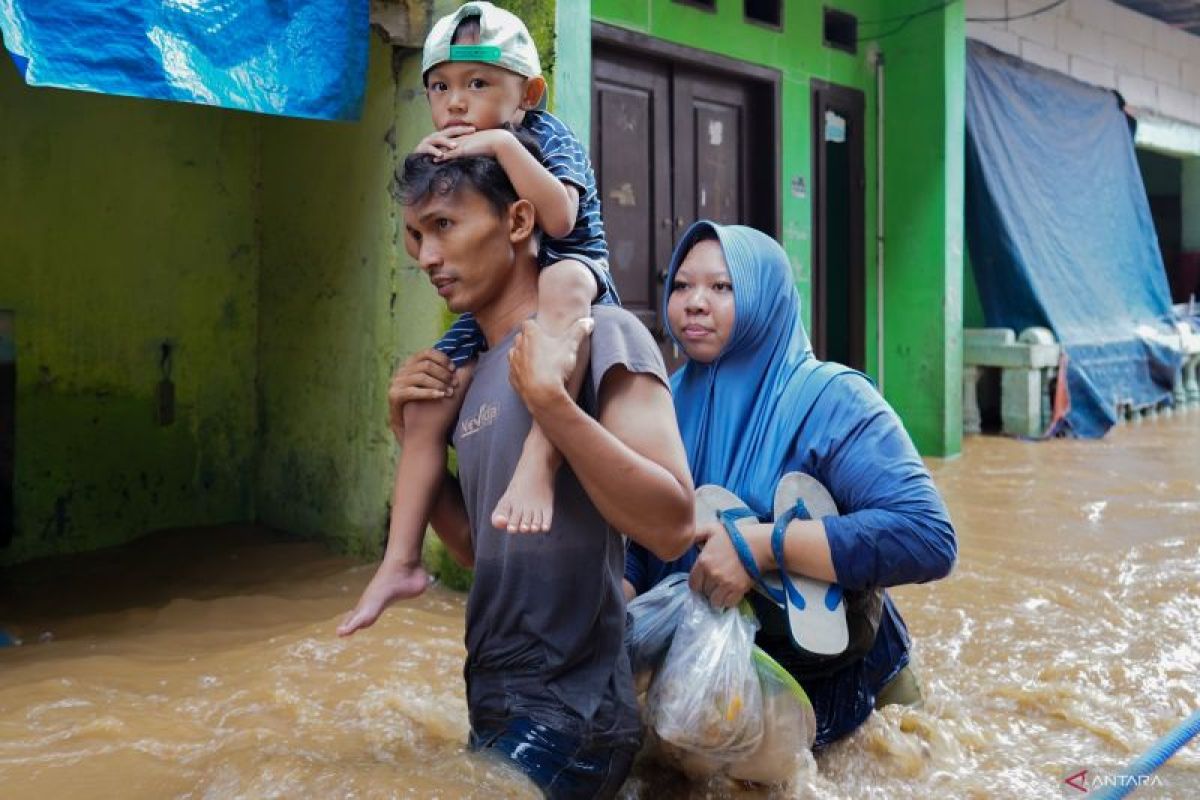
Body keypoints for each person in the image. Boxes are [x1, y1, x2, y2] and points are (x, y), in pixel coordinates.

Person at [341, 145, 695, 799]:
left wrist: (553, 407)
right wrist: (409, 436)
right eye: (415, 236)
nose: (425, 258)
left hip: (576, 718)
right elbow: (483, 547)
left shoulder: (605, 334)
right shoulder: (470, 382)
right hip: (496, 703)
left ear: (518, 222)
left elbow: (674, 524)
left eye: (445, 225)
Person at [624, 221, 958, 749]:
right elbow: (645, 538)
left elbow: (927, 537)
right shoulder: (656, 403)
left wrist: (765, 546)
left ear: (765, 297)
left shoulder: (833, 400)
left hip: (848, 689)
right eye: (682, 285)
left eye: (722, 287)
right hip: (716, 696)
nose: (693, 302)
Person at [405, 0, 617, 541]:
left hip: (573, 265)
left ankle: (538, 460)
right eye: (440, 87)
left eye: (478, 84)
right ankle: (400, 558)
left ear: (528, 95)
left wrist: (501, 144)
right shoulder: (446, 151)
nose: (456, 103)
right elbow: (422, 230)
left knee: (562, 282)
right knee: (429, 389)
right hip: (504, 303)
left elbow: (562, 219)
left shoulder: (548, 136)